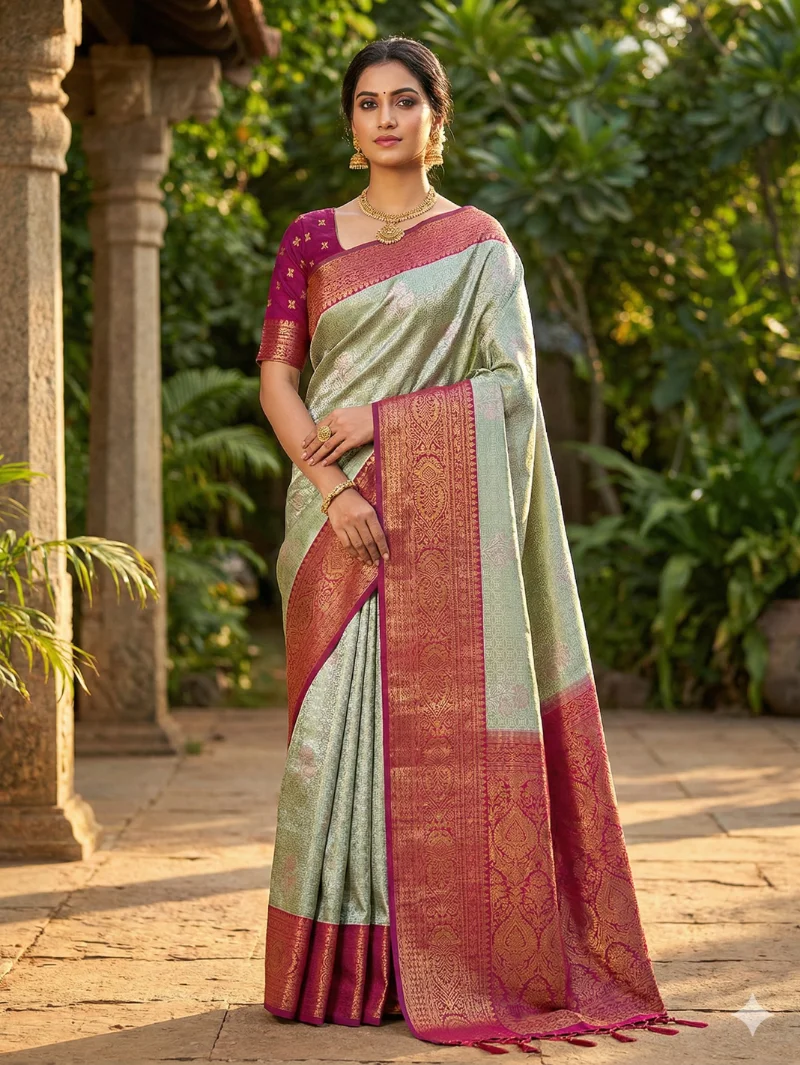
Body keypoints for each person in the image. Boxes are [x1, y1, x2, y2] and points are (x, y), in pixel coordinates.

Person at [256, 36, 707, 1054]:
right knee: (331, 739)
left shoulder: (480, 246)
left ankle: (435, 959)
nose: (385, 118)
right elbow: (277, 378)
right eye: (367, 102)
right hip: (331, 520)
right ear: (350, 123)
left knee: (438, 739)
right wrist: (333, 486)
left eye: (403, 100)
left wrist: (380, 420)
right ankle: (335, 966)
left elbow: (509, 391)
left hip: (436, 524)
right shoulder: (312, 238)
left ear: (436, 118)